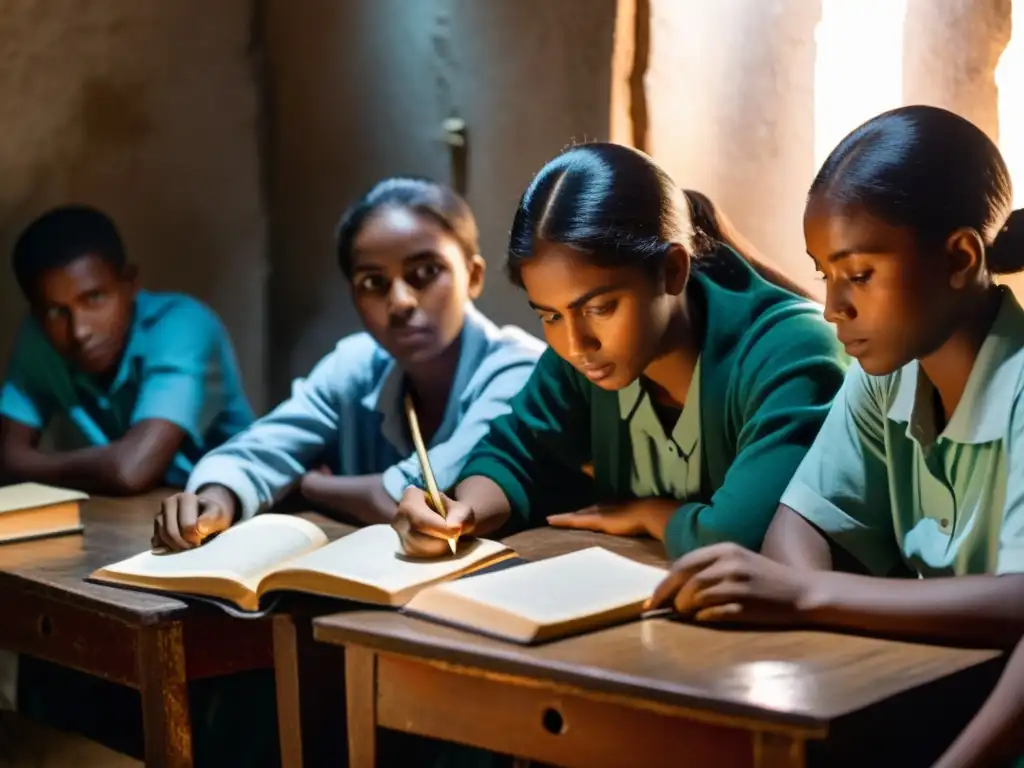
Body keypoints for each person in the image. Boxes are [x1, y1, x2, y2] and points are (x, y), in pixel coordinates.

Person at [646, 106, 1024, 654]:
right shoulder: (886, 377)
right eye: (826, 274)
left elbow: (1017, 603)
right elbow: (797, 527)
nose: (831, 308)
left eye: (860, 275)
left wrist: (808, 595)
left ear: (961, 258)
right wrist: (804, 592)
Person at [392, 142, 847, 559]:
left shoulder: (790, 351)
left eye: (601, 307)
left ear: (671, 271)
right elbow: (514, 454)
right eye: (549, 315)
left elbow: (736, 537)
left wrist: (653, 514)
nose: (575, 344)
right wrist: (461, 512)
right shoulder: (585, 358)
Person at [154, 176, 543, 551]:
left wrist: (310, 485)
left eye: (426, 273)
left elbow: (415, 498)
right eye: (374, 283)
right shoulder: (356, 364)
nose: (401, 302)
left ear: (473, 276)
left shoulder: (519, 371)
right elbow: (259, 450)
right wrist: (215, 499)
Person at [0, 204, 253, 493]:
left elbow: (131, 470)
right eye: (56, 312)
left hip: (229, 505)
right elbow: (6, 459)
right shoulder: (39, 336)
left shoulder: (181, 326)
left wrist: (34, 465)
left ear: (130, 282)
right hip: (131, 514)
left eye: (94, 298)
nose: (80, 331)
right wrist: (105, 466)